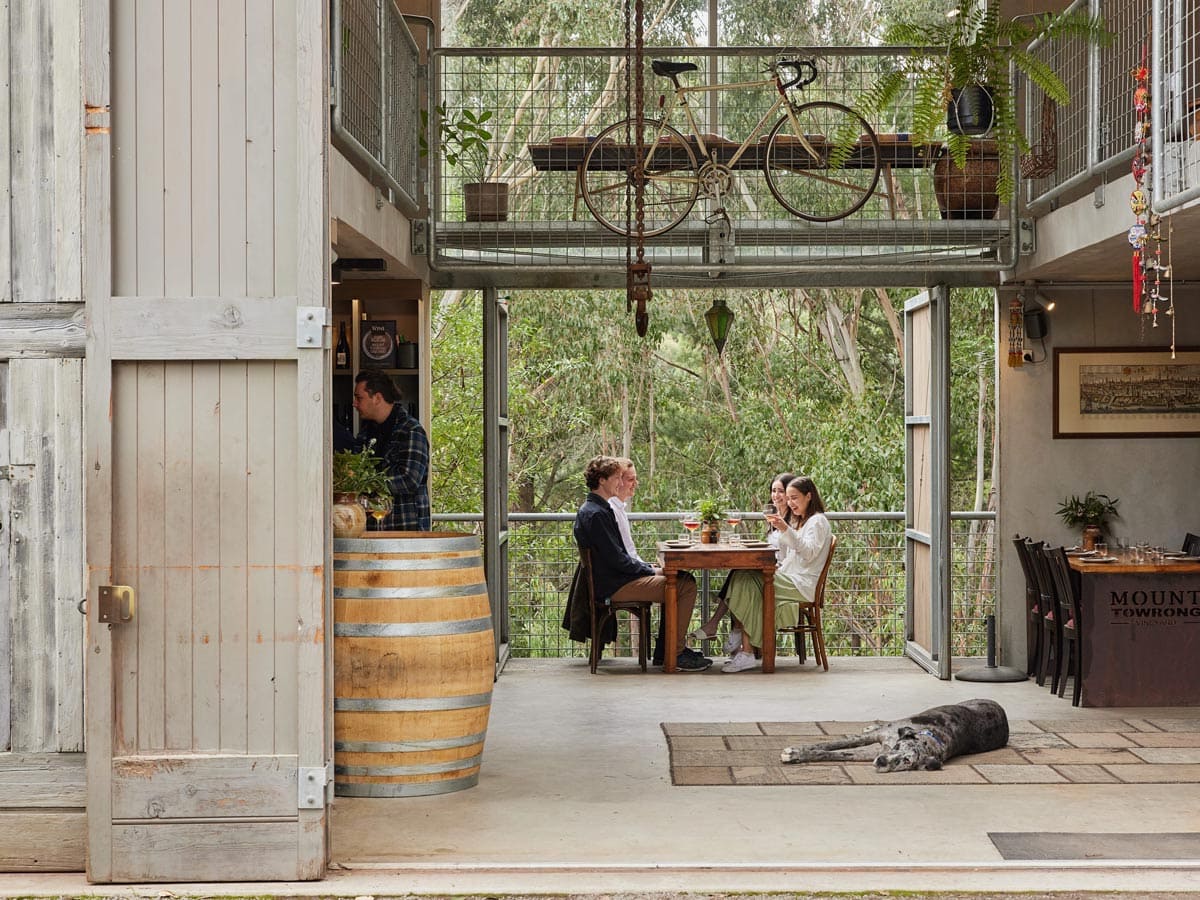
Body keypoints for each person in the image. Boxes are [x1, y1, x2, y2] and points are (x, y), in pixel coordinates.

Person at [573, 455, 712, 671]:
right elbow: (617, 560)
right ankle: (674, 653)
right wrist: (650, 570)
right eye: (617, 478)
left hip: (616, 580)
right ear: (602, 480)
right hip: (616, 586)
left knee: (680, 578)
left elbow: (618, 557)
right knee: (684, 585)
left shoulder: (597, 510)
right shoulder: (596, 514)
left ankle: (665, 651)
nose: (620, 483)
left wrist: (649, 569)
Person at [721, 475, 832, 673]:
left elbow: (808, 553)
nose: (790, 503)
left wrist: (785, 529)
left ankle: (746, 650)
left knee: (746, 579)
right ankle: (746, 649)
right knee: (742, 575)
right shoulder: (803, 521)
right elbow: (792, 555)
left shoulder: (817, 522)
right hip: (791, 578)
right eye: (789, 499)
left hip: (801, 585)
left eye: (794, 498)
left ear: (809, 496)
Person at [689, 472, 798, 652]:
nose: (776, 495)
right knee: (738, 572)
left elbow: (791, 553)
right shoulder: (775, 518)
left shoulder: (792, 522)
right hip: (772, 569)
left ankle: (726, 629)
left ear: (789, 494)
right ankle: (728, 630)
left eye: (781, 491)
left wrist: (777, 566)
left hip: (781, 574)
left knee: (740, 577)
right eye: (773, 491)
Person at [352, 368, 431, 531]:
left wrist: (367, 484)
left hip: (405, 533)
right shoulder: (365, 433)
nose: (354, 403)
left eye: (359, 398)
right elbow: (355, 472)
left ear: (377, 398)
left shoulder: (411, 430)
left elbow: (409, 479)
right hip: (371, 531)